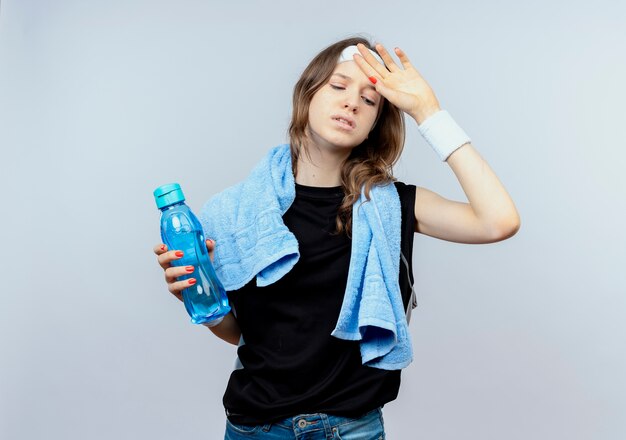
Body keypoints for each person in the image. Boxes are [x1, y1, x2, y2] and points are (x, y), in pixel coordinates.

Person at [153, 36, 520, 439]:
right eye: (339, 85)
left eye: (370, 100)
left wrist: (428, 112)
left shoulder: (395, 205)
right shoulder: (237, 210)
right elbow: (242, 333)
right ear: (308, 93)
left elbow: (498, 221)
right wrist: (198, 295)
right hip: (256, 428)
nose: (351, 103)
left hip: (353, 428)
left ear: (374, 126)